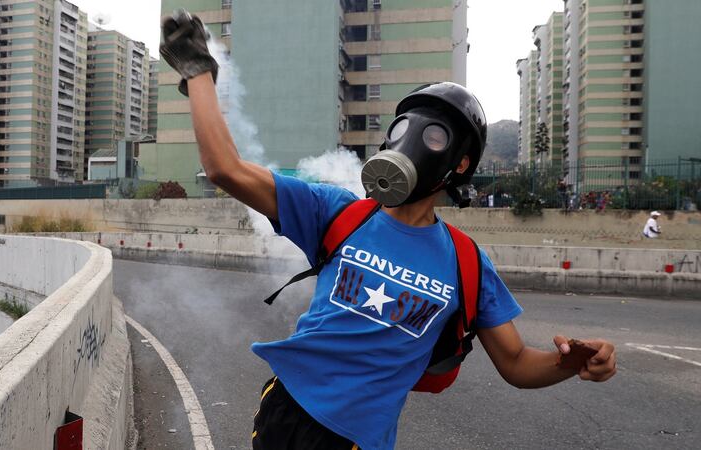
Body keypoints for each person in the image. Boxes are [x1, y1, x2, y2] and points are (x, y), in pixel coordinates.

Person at [160, 11, 617, 450]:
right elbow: (225, 169)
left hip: (357, 440)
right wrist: (199, 73)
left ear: (460, 164)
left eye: (434, 136)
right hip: (286, 410)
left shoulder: (465, 262)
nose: (413, 142)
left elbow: (516, 363)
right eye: (404, 128)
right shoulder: (339, 212)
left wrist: (569, 362)